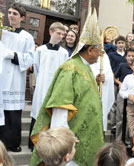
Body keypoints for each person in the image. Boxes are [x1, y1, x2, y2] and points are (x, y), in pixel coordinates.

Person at [30, 9, 104, 166]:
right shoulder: (70, 68)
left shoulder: (86, 68)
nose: (100, 55)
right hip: (70, 143)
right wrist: (62, 141)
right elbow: (60, 106)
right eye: (99, 51)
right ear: (90, 50)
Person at [0, 2, 35, 152]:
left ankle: (12, 143)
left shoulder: (27, 37)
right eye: (9, 13)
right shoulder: (2, 33)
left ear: (22, 17)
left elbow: (30, 58)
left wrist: (12, 54)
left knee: (12, 114)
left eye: (15, 14)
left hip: (14, 79)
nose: (11, 16)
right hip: (1, 77)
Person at [29, 22, 69, 150]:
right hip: (41, 86)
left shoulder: (64, 53)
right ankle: (34, 144)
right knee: (38, 112)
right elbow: (36, 68)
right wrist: (41, 82)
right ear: (51, 32)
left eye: (63, 34)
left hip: (55, 88)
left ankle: (49, 146)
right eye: (58, 33)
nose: (61, 36)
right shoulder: (40, 50)